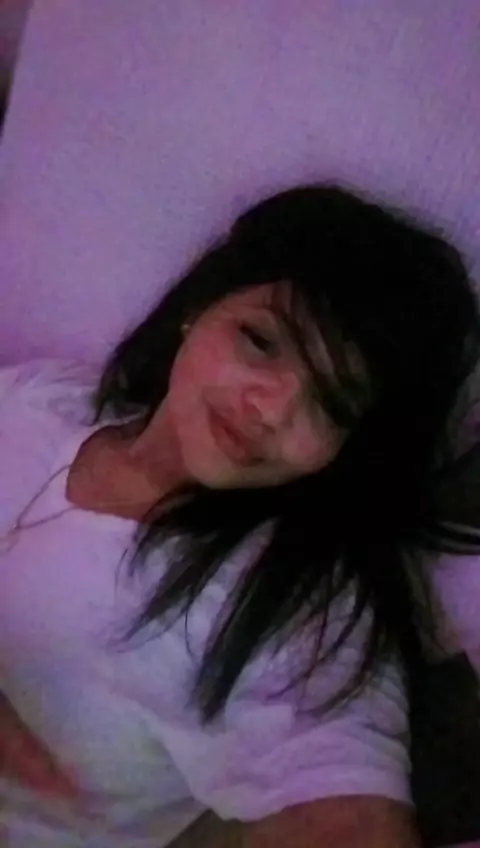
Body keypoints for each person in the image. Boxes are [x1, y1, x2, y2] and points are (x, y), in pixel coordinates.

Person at [0, 183, 479, 848]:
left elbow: (340, 808)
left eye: (333, 404)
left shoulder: (289, 607)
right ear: (199, 309)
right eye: (261, 340)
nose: (272, 408)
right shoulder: (46, 398)